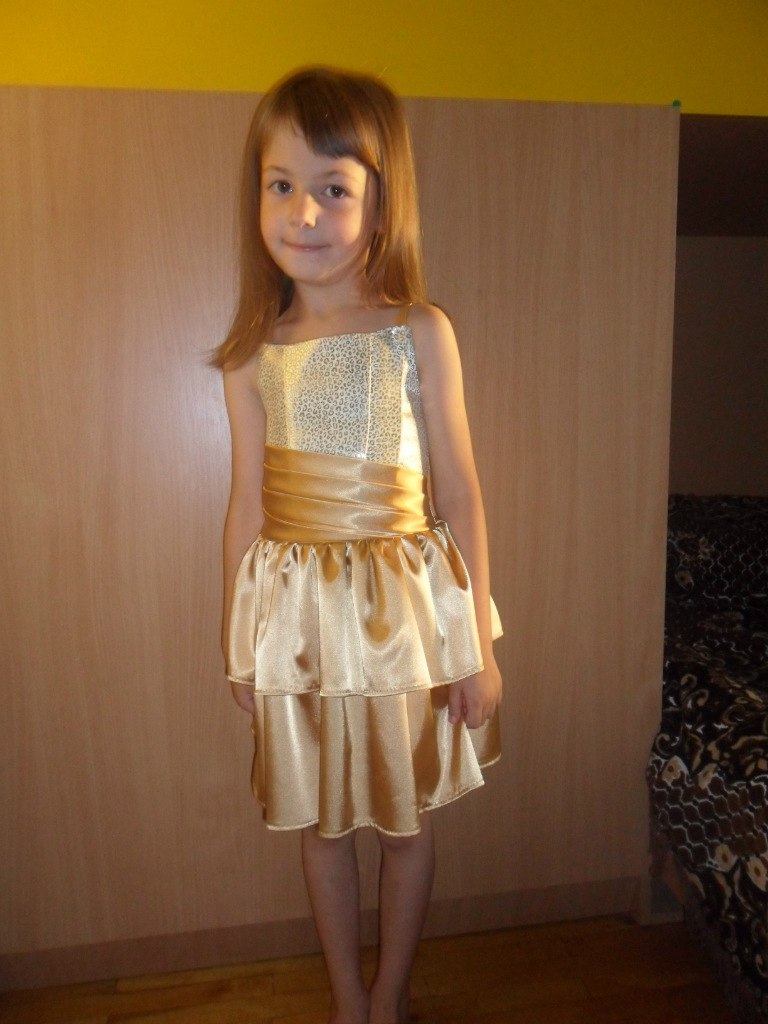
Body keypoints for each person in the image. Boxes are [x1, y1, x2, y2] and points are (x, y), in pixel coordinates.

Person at [212, 66, 503, 1024]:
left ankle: (391, 997)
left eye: (334, 187)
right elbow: (246, 507)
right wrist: (240, 644)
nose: (303, 211)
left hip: (401, 628)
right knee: (324, 826)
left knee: (405, 826)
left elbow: (459, 493)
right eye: (281, 184)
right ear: (257, 196)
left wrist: (476, 645)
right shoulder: (252, 354)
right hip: (298, 628)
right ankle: (348, 1000)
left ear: (380, 204)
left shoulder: (419, 330)